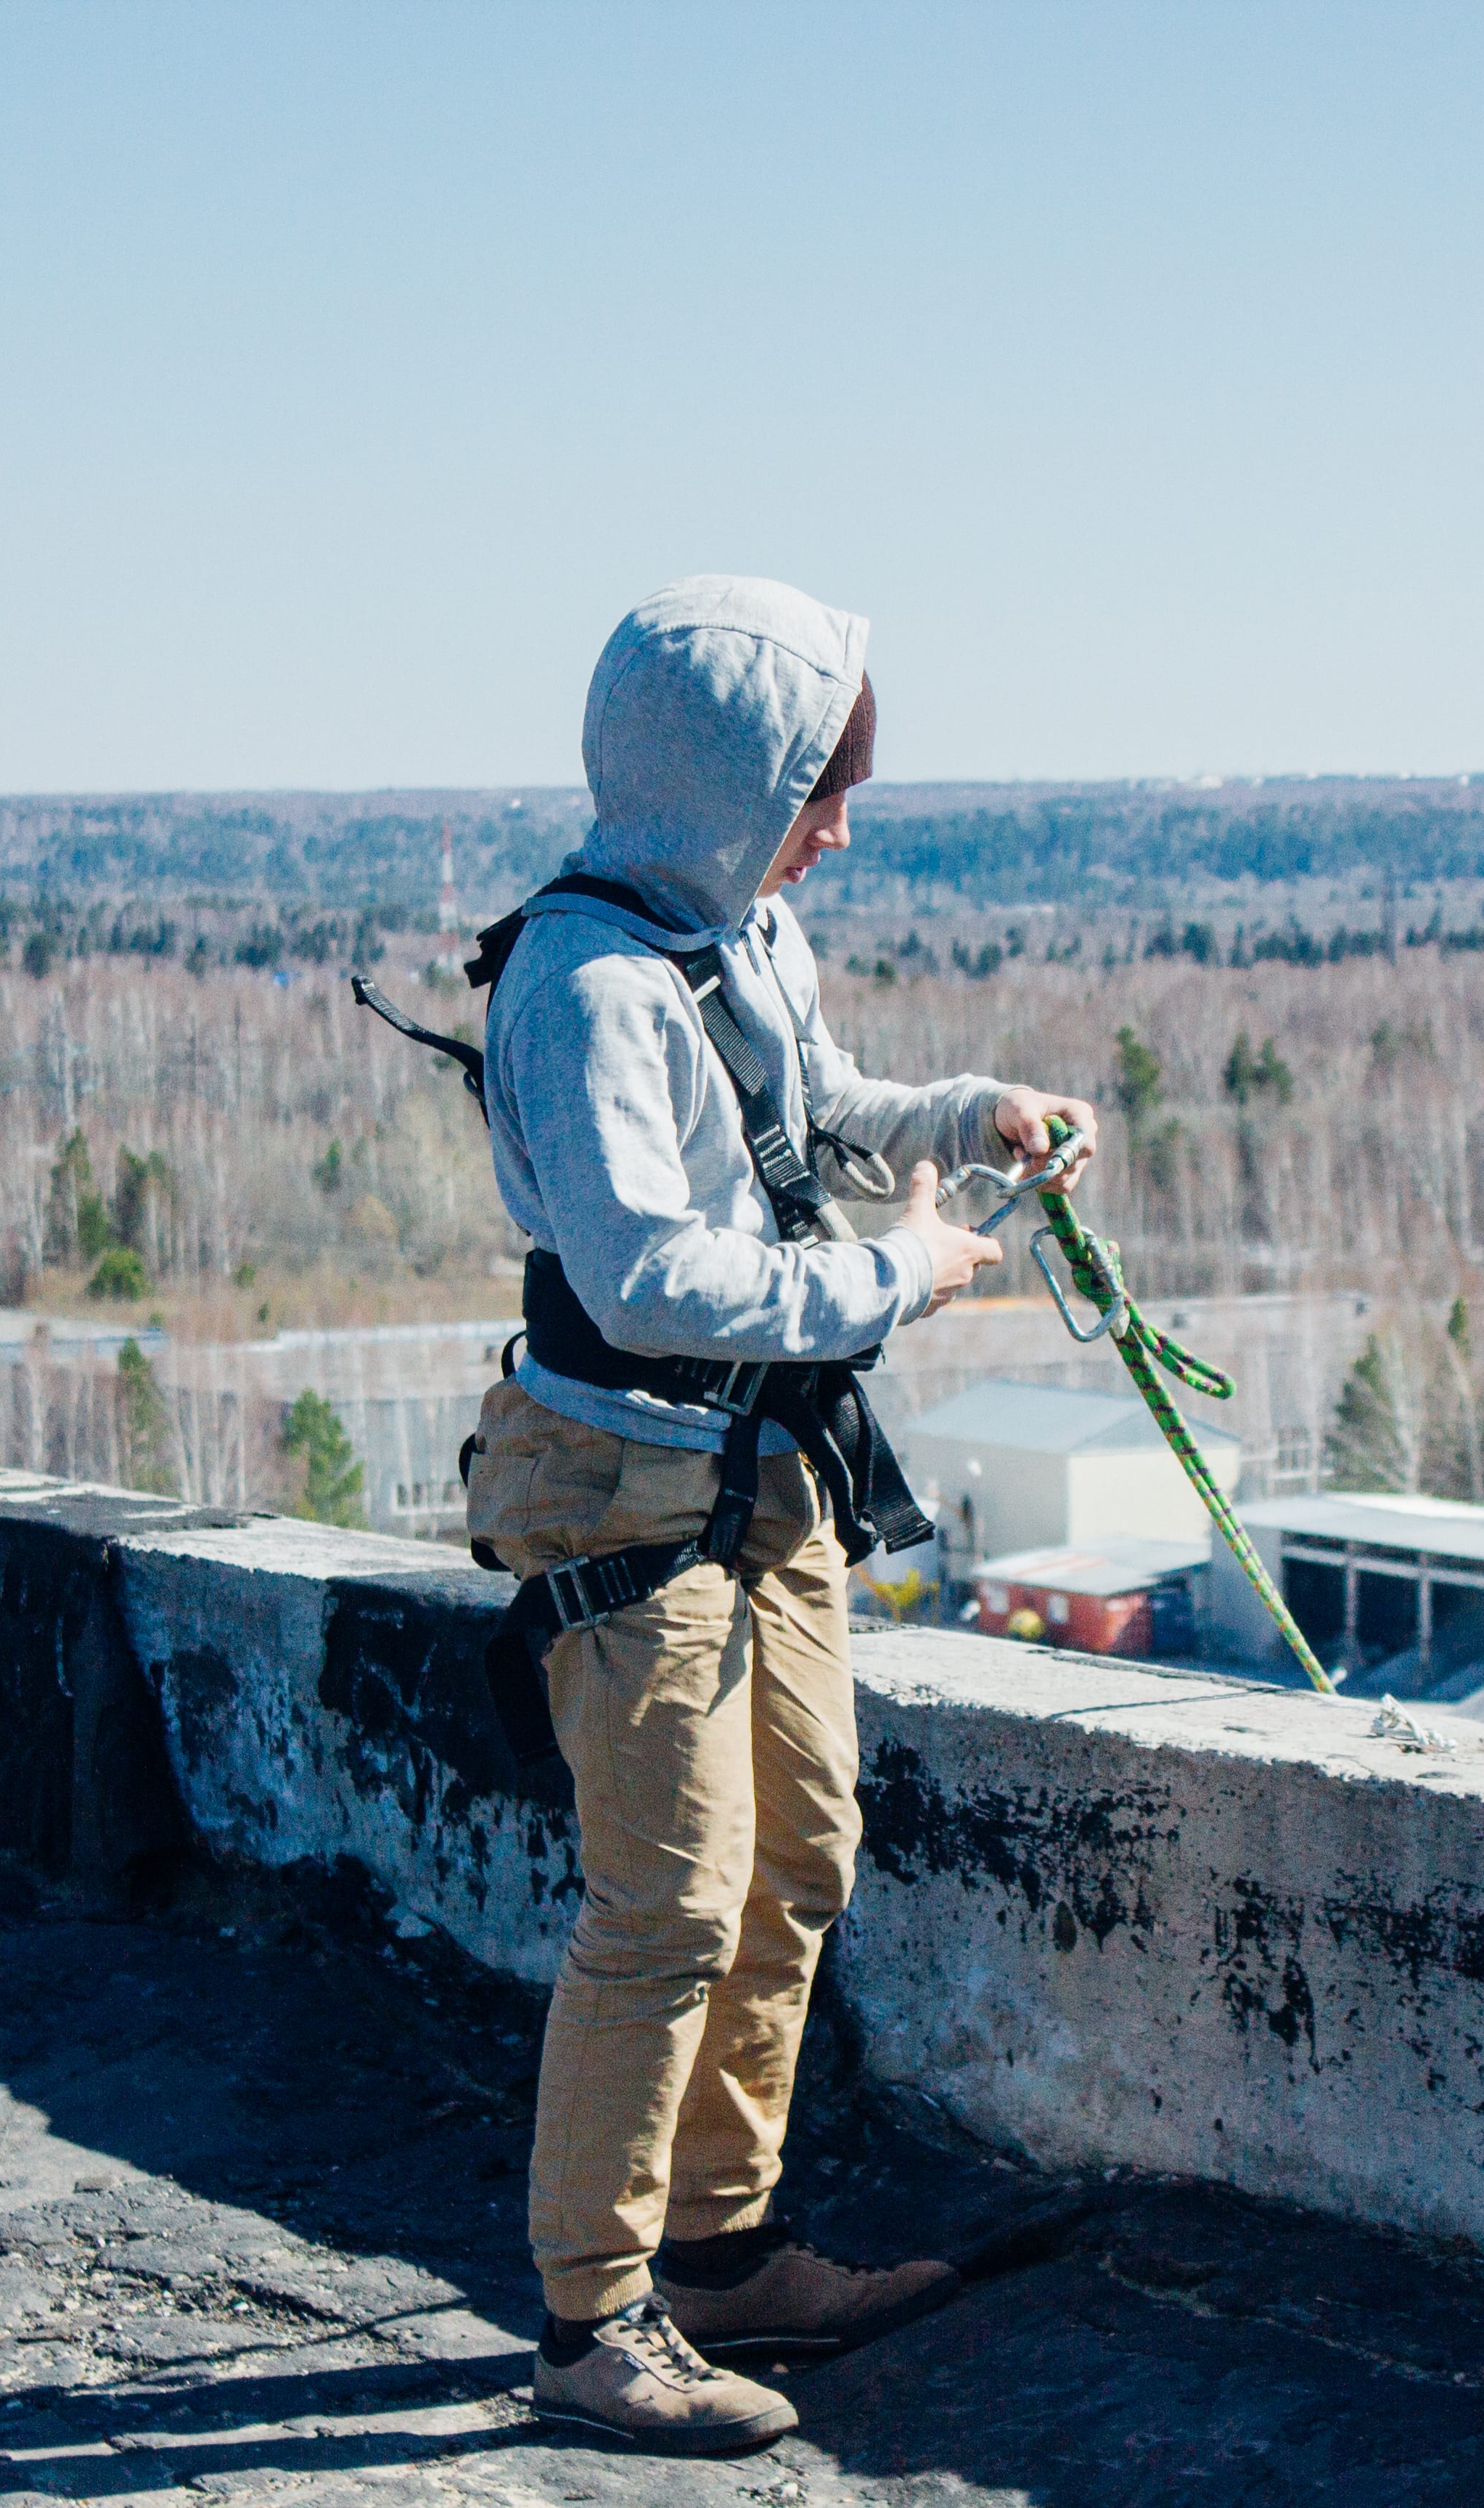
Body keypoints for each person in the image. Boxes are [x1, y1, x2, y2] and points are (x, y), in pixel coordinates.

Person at [461, 577, 1096, 2454]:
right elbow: (652, 1274)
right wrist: (893, 1280)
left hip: (764, 1472)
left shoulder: (736, 938)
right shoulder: (581, 989)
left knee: (798, 1856)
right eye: (817, 788)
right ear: (728, 781)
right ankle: (595, 2327)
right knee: (662, 1904)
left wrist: (967, 1117)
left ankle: (727, 2252)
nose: (836, 827)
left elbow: (806, 1117)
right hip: (623, 1482)